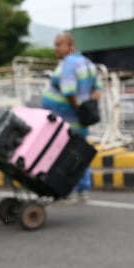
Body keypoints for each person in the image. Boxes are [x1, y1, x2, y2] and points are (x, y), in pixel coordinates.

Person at [40, 32, 103, 203]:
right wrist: (88, 106)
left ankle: (71, 191)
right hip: (80, 120)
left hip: (66, 118)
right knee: (81, 152)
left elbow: (69, 92)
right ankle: (83, 190)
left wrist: (78, 109)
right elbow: (98, 89)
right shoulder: (88, 64)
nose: (56, 49)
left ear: (70, 46)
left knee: (65, 154)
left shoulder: (69, 64)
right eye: (55, 44)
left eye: (59, 44)